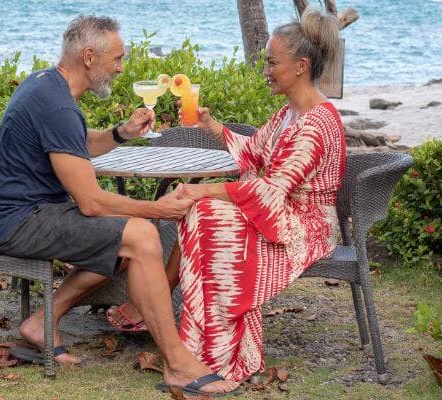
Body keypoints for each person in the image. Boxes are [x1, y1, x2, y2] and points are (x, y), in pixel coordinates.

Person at [0, 15, 240, 396]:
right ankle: (177, 363)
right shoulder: (58, 105)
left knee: (124, 240)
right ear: (89, 57)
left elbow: (75, 143)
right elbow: (91, 203)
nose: (121, 67)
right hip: (19, 221)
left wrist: (122, 133)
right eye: (116, 59)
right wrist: (159, 209)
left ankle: (41, 322)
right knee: (140, 235)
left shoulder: (46, 85)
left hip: (27, 213)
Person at [105, 9, 347, 382]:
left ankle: (211, 348)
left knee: (206, 213)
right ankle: (193, 334)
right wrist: (212, 125)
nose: (265, 70)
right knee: (204, 213)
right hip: (282, 212)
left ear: (300, 66)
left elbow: (269, 189)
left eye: (271, 63)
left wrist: (201, 189)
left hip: (307, 227)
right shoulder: (290, 113)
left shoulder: (316, 123)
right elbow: (254, 151)